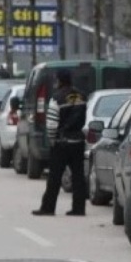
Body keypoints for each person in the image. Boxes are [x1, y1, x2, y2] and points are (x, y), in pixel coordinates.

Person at [33, 70, 88, 217]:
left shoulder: (56, 98)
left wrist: (52, 140)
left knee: (54, 177)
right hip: (78, 141)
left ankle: (48, 208)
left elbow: (51, 123)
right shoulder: (82, 96)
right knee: (78, 177)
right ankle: (79, 208)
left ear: (59, 81)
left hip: (61, 143)